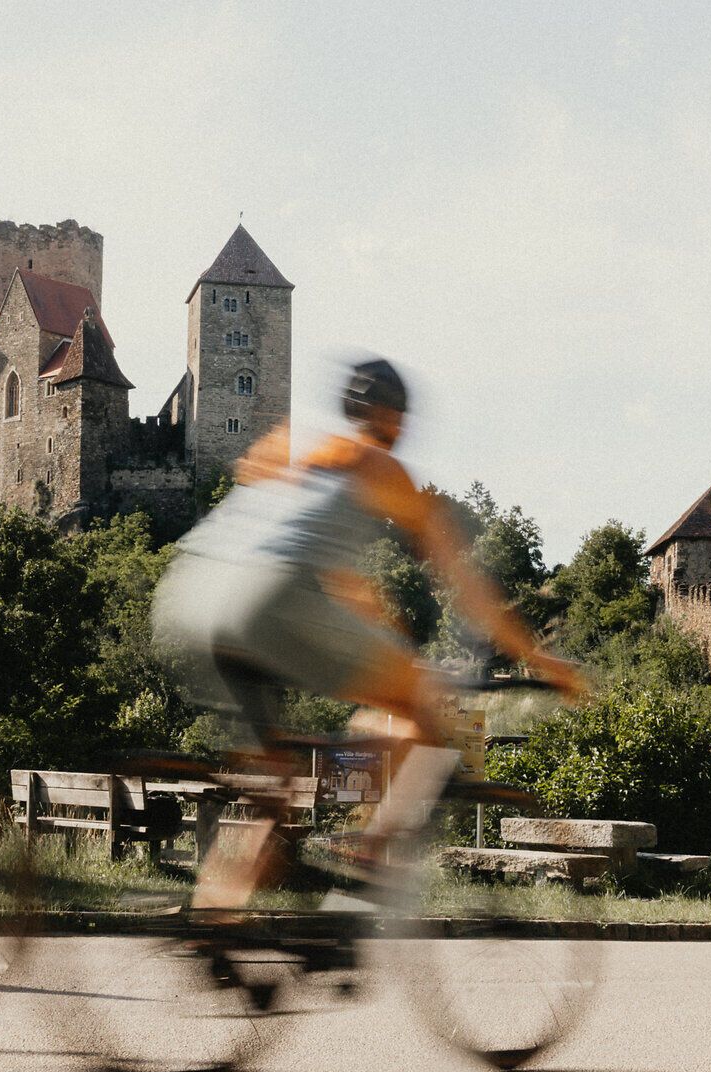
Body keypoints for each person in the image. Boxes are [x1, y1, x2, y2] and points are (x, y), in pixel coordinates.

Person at [152, 358, 582, 904]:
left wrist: (390, 642)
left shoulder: (301, 453)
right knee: (422, 711)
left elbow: (342, 582)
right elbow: (470, 590)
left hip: (192, 593)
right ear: (391, 415)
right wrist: (542, 661)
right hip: (266, 598)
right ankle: (369, 857)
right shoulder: (378, 467)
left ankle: (214, 920)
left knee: (273, 783)